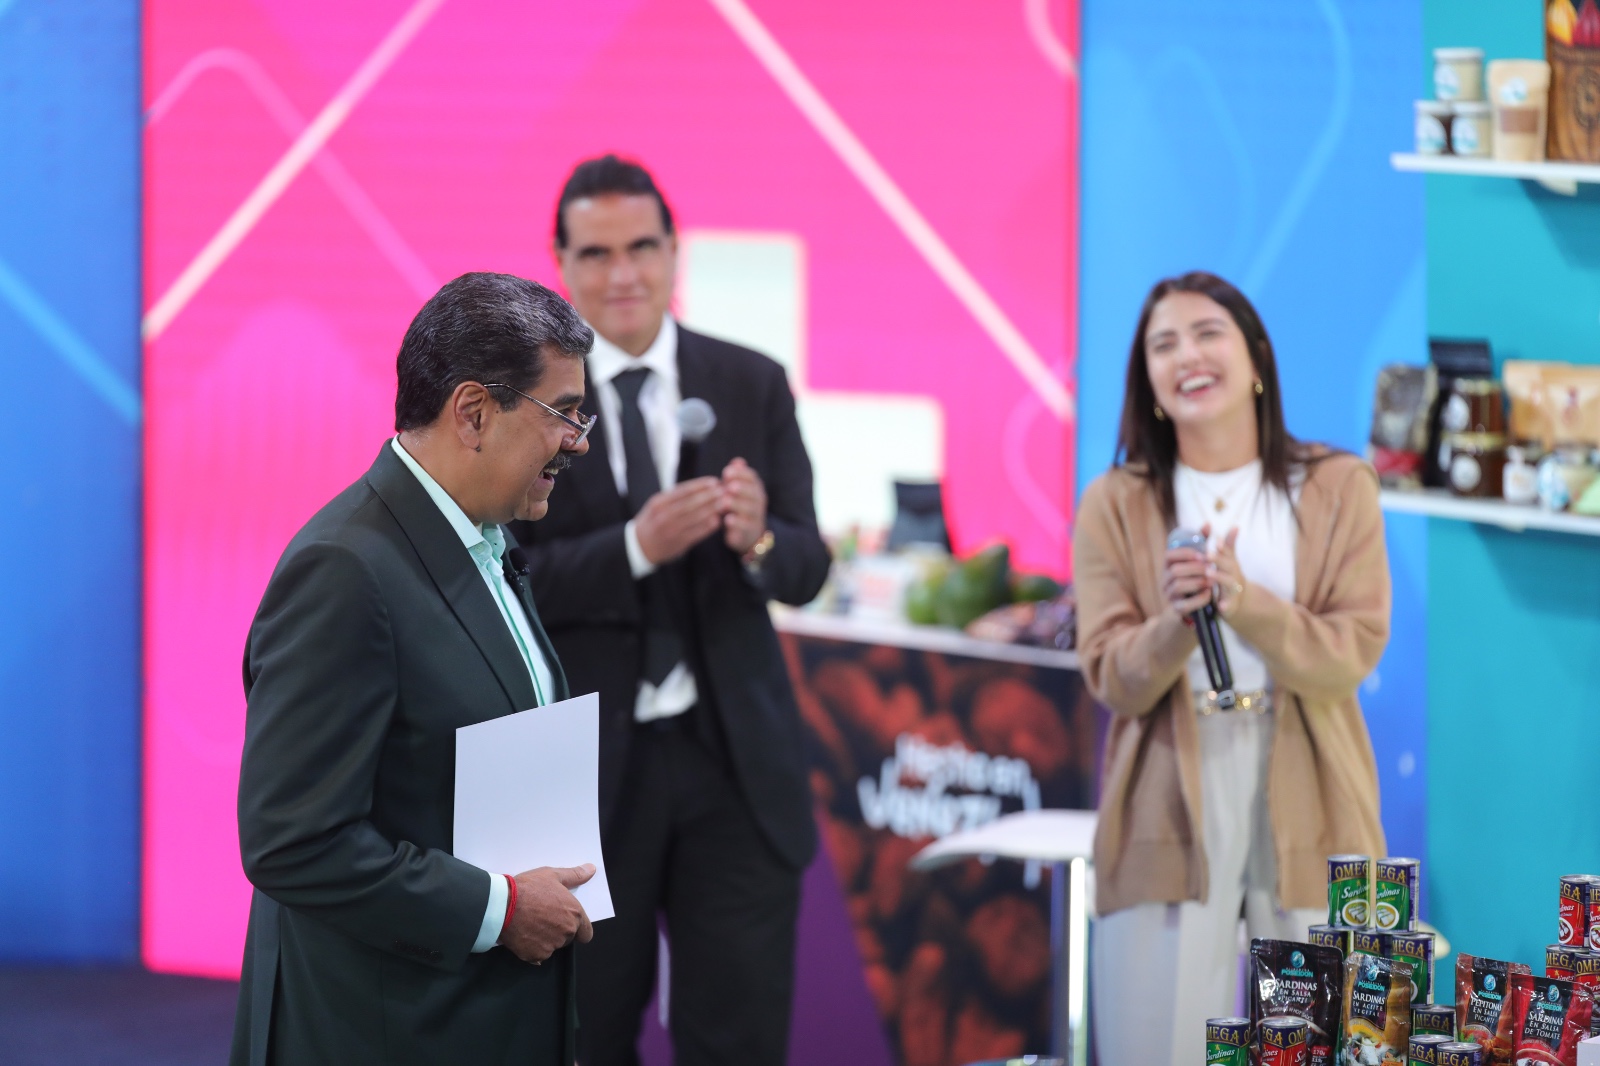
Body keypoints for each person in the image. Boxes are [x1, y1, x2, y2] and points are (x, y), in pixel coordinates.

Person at [230, 273, 602, 1066]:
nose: (577, 441)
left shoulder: (485, 538)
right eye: (563, 413)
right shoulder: (344, 571)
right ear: (473, 413)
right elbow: (293, 843)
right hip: (383, 1032)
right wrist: (500, 909)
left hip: (479, 1018)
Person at [509, 155, 831, 1066]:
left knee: (738, 1039)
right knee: (586, 1033)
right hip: (585, 775)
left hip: (735, 766)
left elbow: (807, 564)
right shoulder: (525, 399)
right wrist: (633, 548)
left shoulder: (750, 381)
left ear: (674, 251)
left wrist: (758, 539)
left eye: (642, 247)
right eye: (597, 253)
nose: (623, 274)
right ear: (561, 263)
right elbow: (507, 579)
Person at [1072, 271, 1391, 1065]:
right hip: (1168, 793)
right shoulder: (1114, 501)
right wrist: (1179, 623)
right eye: (1163, 344)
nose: (1188, 356)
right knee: (1158, 1043)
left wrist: (1244, 603)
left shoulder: (1337, 485)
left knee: (1320, 1043)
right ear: (1147, 383)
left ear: (1256, 359)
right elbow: (1111, 676)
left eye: (1207, 333)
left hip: (1311, 781)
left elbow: (1350, 653)